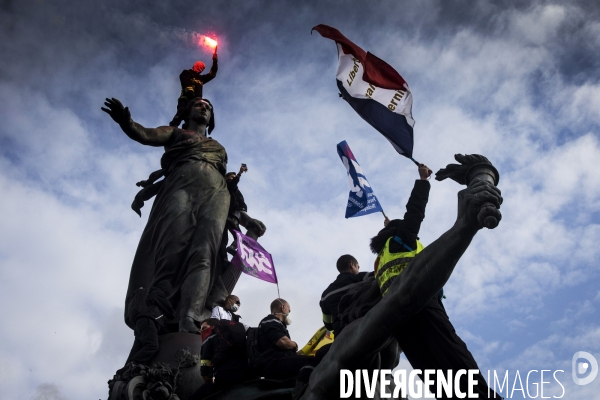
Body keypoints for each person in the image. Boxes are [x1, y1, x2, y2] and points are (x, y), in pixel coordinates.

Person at [298, 177, 504, 399]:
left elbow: (328, 325)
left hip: (396, 322)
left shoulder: (380, 259)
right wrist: (423, 181)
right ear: (352, 265)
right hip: (421, 303)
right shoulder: (401, 242)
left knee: (429, 367)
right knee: (450, 352)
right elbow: (415, 211)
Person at [102, 97, 229, 333]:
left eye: (209, 107)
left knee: (205, 253)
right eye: (199, 104)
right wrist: (126, 122)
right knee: (172, 249)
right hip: (181, 188)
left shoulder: (219, 148)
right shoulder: (176, 133)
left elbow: (231, 183)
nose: (204, 108)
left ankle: (190, 316)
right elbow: (146, 135)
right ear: (188, 110)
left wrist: (242, 215)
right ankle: (157, 313)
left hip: (217, 194)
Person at [189, 318, 249, 399]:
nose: (201, 332)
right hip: (246, 376)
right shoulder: (238, 337)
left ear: (213, 327)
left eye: (204, 328)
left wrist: (210, 382)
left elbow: (205, 370)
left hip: (223, 378)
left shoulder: (208, 339)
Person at [258, 299, 317, 380]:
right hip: (274, 362)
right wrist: (294, 344)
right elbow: (282, 342)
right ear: (283, 307)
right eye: (289, 311)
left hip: (280, 360)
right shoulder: (270, 320)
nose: (289, 313)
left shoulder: (279, 324)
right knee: (313, 362)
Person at [122, 281, 174, 368]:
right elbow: (169, 311)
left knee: (137, 349)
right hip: (147, 321)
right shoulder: (158, 293)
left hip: (138, 323)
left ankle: (125, 371)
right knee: (152, 345)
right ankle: (134, 364)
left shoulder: (148, 293)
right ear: (165, 289)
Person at [319, 255, 368, 335]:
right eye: (358, 267)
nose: (358, 270)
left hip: (341, 335)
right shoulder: (362, 278)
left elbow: (328, 324)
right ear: (352, 265)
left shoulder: (325, 295)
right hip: (365, 327)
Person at [170, 54, 218, 127]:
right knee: (181, 113)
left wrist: (215, 61)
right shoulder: (186, 73)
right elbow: (186, 84)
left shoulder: (201, 78)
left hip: (196, 102)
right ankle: (172, 128)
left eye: (202, 68)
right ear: (195, 65)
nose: (201, 69)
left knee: (194, 119)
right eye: (200, 67)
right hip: (186, 99)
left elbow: (212, 74)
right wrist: (192, 95)